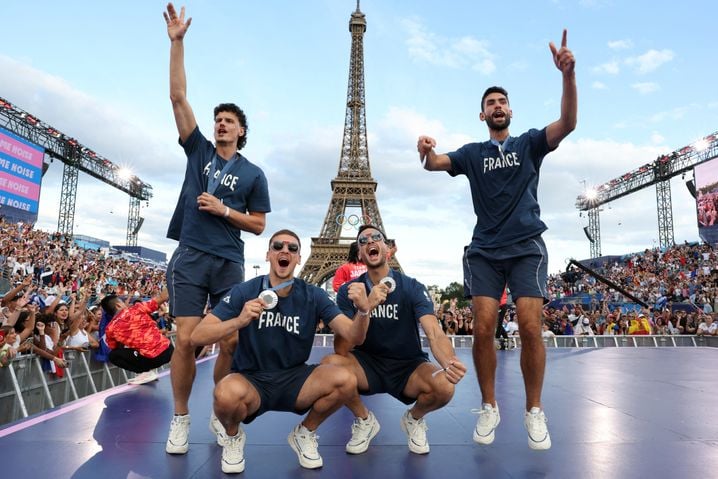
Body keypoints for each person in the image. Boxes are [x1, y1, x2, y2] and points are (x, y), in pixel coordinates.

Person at [417, 29, 577, 450]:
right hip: (485, 250)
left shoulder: (528, 144)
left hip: (526, 246)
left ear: (510, 110)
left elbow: (569, 123)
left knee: (529, 326)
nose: (497, 106)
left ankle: (534, 410)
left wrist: (568, 76)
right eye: (490, 103)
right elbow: (435, 163)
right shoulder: (472, 153)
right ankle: (489, 406)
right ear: (482, 115)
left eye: (502, 101)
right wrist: (424, 150)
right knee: (484, 327)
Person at [162, 3, 272, 454]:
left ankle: (220, 408)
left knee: (229, 339)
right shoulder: (199, 153)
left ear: (242, 130)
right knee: (185, 341)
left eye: (229, 120)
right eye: (218, 118)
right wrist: (178, 42)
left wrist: (224, 211)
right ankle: (181, 417)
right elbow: (177, 98)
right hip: (191, 257)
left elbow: (261, 226)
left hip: (229, 262)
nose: (220, 122)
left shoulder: (253, 174)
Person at [190, 230, 376, 473]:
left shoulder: (314, 295)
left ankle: (305, 432)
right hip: (252, 378)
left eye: (292, 248)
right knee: (225, 394)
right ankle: (233, 436)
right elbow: (197, 336)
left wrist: (363, 311)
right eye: (278, 246)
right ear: (268, 254)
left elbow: (354, 336)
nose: (285, 251)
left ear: (299, 258)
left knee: (345, 379)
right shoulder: (245, 291)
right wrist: (239, 320)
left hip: (295, 378)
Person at [324, 225, 467, 455]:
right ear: (360, 254)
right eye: (363, 240)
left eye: (376, 237)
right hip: (366, 364)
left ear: (388, 248)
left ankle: (414, 418)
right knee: (329, 366)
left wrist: (449, 362)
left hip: (408, 366)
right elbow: (341, 349)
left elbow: (434, 331)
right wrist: (366, 307)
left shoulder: (411, 287)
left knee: (444, 386)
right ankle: (364, 420)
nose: (370, 241)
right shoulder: (350, 291)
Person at [99, 289, 174, 384]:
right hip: (169, 350)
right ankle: (146, 372)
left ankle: (145, 372)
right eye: (122, 302)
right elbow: (163, 297)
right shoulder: (137, 308)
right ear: (118, 305)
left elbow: (115, 348)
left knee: (113, 355)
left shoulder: (110, 329)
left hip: (151, 359)